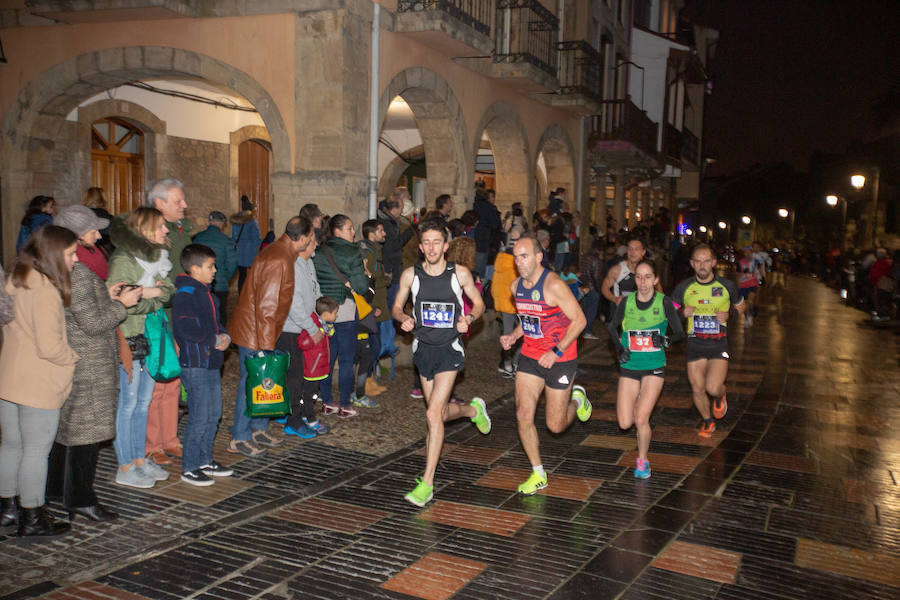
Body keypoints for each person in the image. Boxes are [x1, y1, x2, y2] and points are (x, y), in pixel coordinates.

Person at [46, 208, 140, 522]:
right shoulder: (80, 272)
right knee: (86, 436)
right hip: (89, 364)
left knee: (66, 432)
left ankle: (55, 491)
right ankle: (81, 499)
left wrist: (105, 294)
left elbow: (79, 309)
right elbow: (93, 323)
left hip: (72, 359)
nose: (99, 236)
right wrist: (120, 305)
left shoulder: (56, 266)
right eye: (92, 230)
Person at [393, 219, 491, 506]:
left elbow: (480, 303)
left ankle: (427, 483)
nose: (432, 247)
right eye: (427, 242)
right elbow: (397, 307)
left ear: (445, 246)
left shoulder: (459, 273)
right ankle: (472, 410)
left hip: (450, 348)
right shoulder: (410, 275)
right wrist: (404, 319)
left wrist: (469, 318)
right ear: (421, 247)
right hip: (423, 349)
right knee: (440, 413)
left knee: (433, 414)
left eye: (437, 242)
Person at [0, 225, 80, 537]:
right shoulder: (45, 290)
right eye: (71, 253)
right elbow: (50, 347)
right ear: (53, 253)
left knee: (11, 446)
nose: (74, 260)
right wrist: (72, 359)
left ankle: (7, 510)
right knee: (35, 450)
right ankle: (32, 517)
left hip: (9, 376)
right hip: (37, 381)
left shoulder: (16, 277)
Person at [500, 236, 592, 495]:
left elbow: (580, 320)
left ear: (539, 257)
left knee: (555, 425)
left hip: (560, 359)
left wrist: (556, 350)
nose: (520, 262)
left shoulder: (553, 285)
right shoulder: (516, 286)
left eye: (525, 256)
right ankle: (538, 473)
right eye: (516, 257)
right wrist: (514, 336)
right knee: (522, 415)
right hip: (530, 356)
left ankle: (577, 399)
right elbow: (529, 318)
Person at [228, 217, 310, 456]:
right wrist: (266, 347)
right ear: (303, 238)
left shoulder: (282, 253)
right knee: (253, 382)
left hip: (260, 332)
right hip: (255, 333)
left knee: (266, 382)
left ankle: (258, 427)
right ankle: (240, 436)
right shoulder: (279, 258)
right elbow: (266, 306)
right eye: (311, 237)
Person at [107, 207, 174, 488]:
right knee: (129, 404)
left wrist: (149, 293)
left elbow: (168, 290)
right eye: (160, 226)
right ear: (145, 229)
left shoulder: (159, 258)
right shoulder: (125, 258)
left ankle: (138, 458)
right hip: (130, 337)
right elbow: (121, 301)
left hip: (150, 335)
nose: (166, 230)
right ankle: (125, 465)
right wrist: (153, 293)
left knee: (143, 403)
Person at [608, 260, 684, 479]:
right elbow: (612, 327)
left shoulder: (664, 302)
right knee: (624, 423)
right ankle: (640, 396)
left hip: (654, 366)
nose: (642, 282)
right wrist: (619, 349)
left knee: (641, 419)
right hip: (630, 365)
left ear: (656, 279)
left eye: (648, 277)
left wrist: (665, 340)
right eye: (638, 277)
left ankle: (643, 460)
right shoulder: (626, 302)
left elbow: (679, 333)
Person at [172, 244, 234, 486]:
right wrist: (211, 340)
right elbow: (184, 328)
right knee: (199, 415)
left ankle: (205, 460)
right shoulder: (187, 293)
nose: (215, 270)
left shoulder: (206, 292)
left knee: (214, 412)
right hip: (195, 361)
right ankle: (189, 466)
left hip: (211, 361)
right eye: (210, 266)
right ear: (195, 269)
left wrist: (225, 336)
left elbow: (217, 324)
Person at [140, 178, 192, 466]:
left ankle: (171, 439)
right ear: (159, 204)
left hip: (176, 315)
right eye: (177, 201)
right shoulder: (148, 236)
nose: (184, 205)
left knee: (172, 381)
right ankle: (153, 444)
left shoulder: (179, 231)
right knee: (157, 384)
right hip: (157, 320)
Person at [672, 244, 744, 438]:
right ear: (692, 264)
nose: (702, 265)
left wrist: (729, 314)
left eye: (706, 261)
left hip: (718, 344)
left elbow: (740, 308)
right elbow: (669, 312)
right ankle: (707, 420)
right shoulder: (684, 287)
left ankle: (721, 395)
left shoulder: (727, 286)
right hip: (695, 344)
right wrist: (681, 313)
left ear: (713, 262)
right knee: (697, 388)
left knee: (712, 387)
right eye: (698, 261)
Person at [313, 215, 371, 417]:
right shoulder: (352, 251)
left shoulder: (318, 251)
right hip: (345, 310)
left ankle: (327, 401)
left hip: (322, 311)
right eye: (349, 228)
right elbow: (361, 287)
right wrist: (365, 274)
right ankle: (345, 404)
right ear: (337, 230)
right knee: (346, 360)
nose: (353, 232)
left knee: (327, 357)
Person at [280, 218, 329, 438]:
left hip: (304, 326)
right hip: (291, 329)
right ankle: (293, 420)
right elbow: (294, 305)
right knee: (295, 377)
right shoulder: (292, 265)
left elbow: (315, 292)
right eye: (312, 240)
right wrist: (312, 329)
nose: (315, 244)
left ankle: (291, 412)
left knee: (300, 375)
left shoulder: (308, 264)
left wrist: (322, 319)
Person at [356, 220, 390, 402]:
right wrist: (386, 280)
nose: (384, 233)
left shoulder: (375, 250)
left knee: (375, 346)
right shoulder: (368, 253)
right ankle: (365, 382)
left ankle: (369, 379)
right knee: (372, 346)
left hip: (377, 303)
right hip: (372, 305)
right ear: (372, 234)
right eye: (381, 230)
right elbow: (370, 279)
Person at [294, 296, 339, 433]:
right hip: (312, 368)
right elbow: (303, 343)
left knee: (312, 395)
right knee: (309, 396)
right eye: (335, 313)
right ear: (326, 314)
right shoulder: (313, 324)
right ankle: (310, 420)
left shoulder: (322, 323)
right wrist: (319, 333)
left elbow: (324, 338)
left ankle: (304, 416)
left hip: (318, 367)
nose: (336, 316)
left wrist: (327, 332)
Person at [192, 211, 238, 325]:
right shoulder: (227, 241)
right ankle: (221, 340)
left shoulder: (198, 238)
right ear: (222, 224)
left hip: (200, 283)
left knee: (201, 314)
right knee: (220, 314)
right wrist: (225, 279)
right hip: (220, 285)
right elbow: (232, 264)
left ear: (209, 221)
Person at [492, 225, 523, 377]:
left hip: (504, 303)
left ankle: (507, 364)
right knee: (519, 334)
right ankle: (515, 363)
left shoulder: (500, 259)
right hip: (516, 302)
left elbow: (495, 284)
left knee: (507, 334)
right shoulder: (517, 263)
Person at [602, 237, 659, 315]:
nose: (633, 252)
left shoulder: (649, 269)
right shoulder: (617, 270)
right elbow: (604, 287)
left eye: (637, 249)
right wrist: (615, 299)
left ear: (643, 252)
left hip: (642, 314)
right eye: (630, 249)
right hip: (620, 315)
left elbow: (659, 289)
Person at [58, 204, 111, 281]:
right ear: (78, 235)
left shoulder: (88, 248)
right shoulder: (85, 259)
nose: (99, 236)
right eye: (93, 232)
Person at [231, 195, 262, 292]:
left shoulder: (236, 220)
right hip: (250, 254)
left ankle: (241, 296)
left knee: (242, 276)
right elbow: (257, 239)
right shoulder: (252, 221)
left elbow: (234, 237)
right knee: (250, 277)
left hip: (239, 253)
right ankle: (248, 298)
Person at [578, 238, 606, 338]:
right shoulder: (596, 260)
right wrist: (600, 290)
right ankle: (588, 331)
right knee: (591, 311)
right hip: (593, 288)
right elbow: (597, 276)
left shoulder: (585, 257)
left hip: (584, 286)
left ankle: (583, 330)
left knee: (585, 310)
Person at [473, 188, 501, 280]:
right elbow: (495, 224)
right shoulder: (490, 208)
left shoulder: (475, 205)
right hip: (485, 239)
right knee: (482, 267)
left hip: (475, 238)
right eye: (493, 197)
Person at [82, 187, 114, 255]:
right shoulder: (110, 219)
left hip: (83, 256)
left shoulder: (79, 218)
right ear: (103, 200)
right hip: (107, 259)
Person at [737, 247, 760, 327]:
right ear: (744, 253)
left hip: (753, 284)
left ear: (751, 252)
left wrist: (760, 279)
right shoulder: (740, 262)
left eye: (749, 252)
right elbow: (738, 274)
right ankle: (748, 318)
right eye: (746, 252)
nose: (747, 254)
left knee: (750, 301)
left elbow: (759, 271)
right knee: (745, 304)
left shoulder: (756, 261)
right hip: (743, 285)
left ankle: (750, 316)